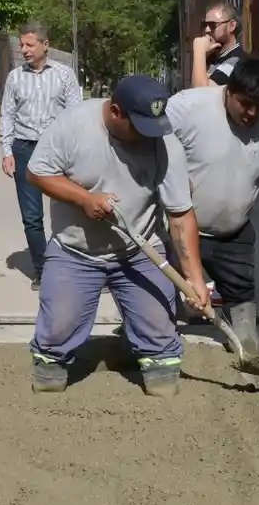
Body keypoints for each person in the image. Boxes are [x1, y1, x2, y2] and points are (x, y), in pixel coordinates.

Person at [25, 74, 212, 397]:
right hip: (75, 251)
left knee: (161, 352)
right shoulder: (73, 125)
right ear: (115, 112)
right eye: (139, 127)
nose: (148, 136)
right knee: (54, 345)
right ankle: (52, 360)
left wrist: (194, 277)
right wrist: (84, 199)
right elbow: (37, 173)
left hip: (139, 250)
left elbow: (180, 215)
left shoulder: (164, 142)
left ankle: (150, 353)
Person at [165, 57, 259, 356]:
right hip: (175, 229)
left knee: (242, 302)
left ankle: (246, 349)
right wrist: (169, 172)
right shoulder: (188, 107)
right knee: (159, 298)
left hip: (232, 233)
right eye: (245, 103)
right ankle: (155, 342)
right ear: (228, 91)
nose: (252, 113)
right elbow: (147, 140)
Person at [0, 20, 82, 290]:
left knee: (70, 208)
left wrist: (77, 150)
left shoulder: (64, 75)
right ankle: (43, 269)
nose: (24, 50)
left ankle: (77, 265)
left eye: (30, 45)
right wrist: (7, 152)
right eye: (22, 45)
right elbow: (7, 115)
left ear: (45, 45)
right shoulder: (15, 77)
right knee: (31, 216)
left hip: (58, 150)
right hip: (24, 149)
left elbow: (75, 115)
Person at [190, 0, 249, 87]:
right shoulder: (213, 58)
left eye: (212, 25)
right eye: (204, 25)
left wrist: (199, 51)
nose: (207, 30)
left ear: (232, 26)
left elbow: (201, 92)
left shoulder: (237, 61)